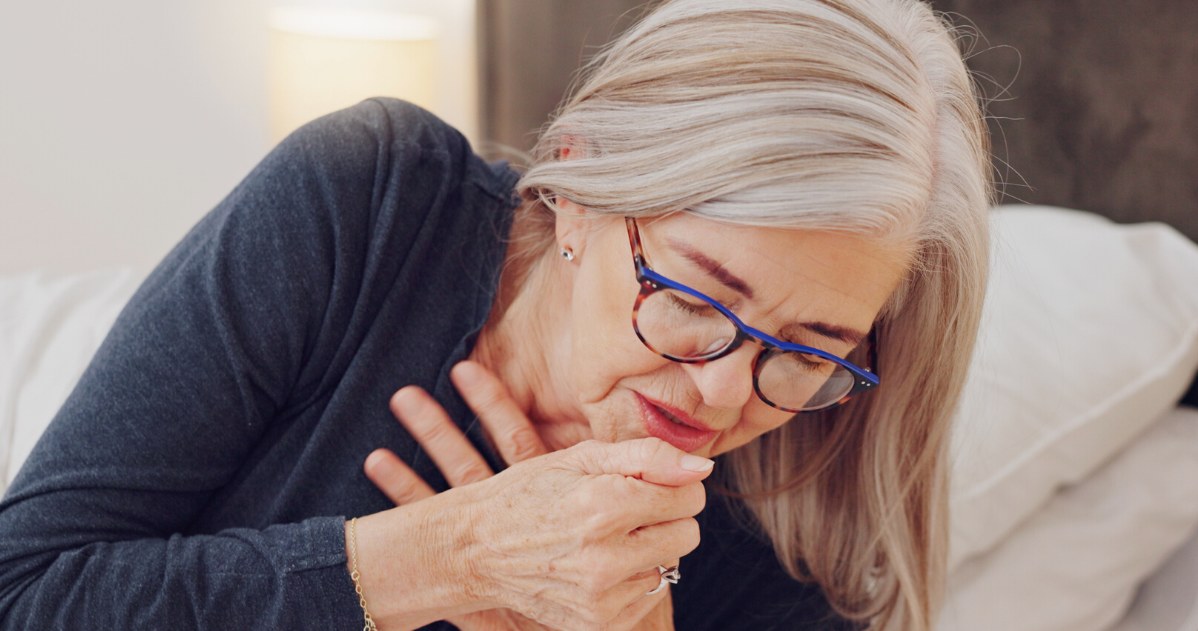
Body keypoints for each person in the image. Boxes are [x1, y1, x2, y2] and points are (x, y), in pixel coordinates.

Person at [0, 0, 991, 629]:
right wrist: (445, 557)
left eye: (809, 351)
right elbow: (28, 592)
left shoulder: (800, 525)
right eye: (696, 298)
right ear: (578, 188)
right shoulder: (371, 206)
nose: (727, 393)